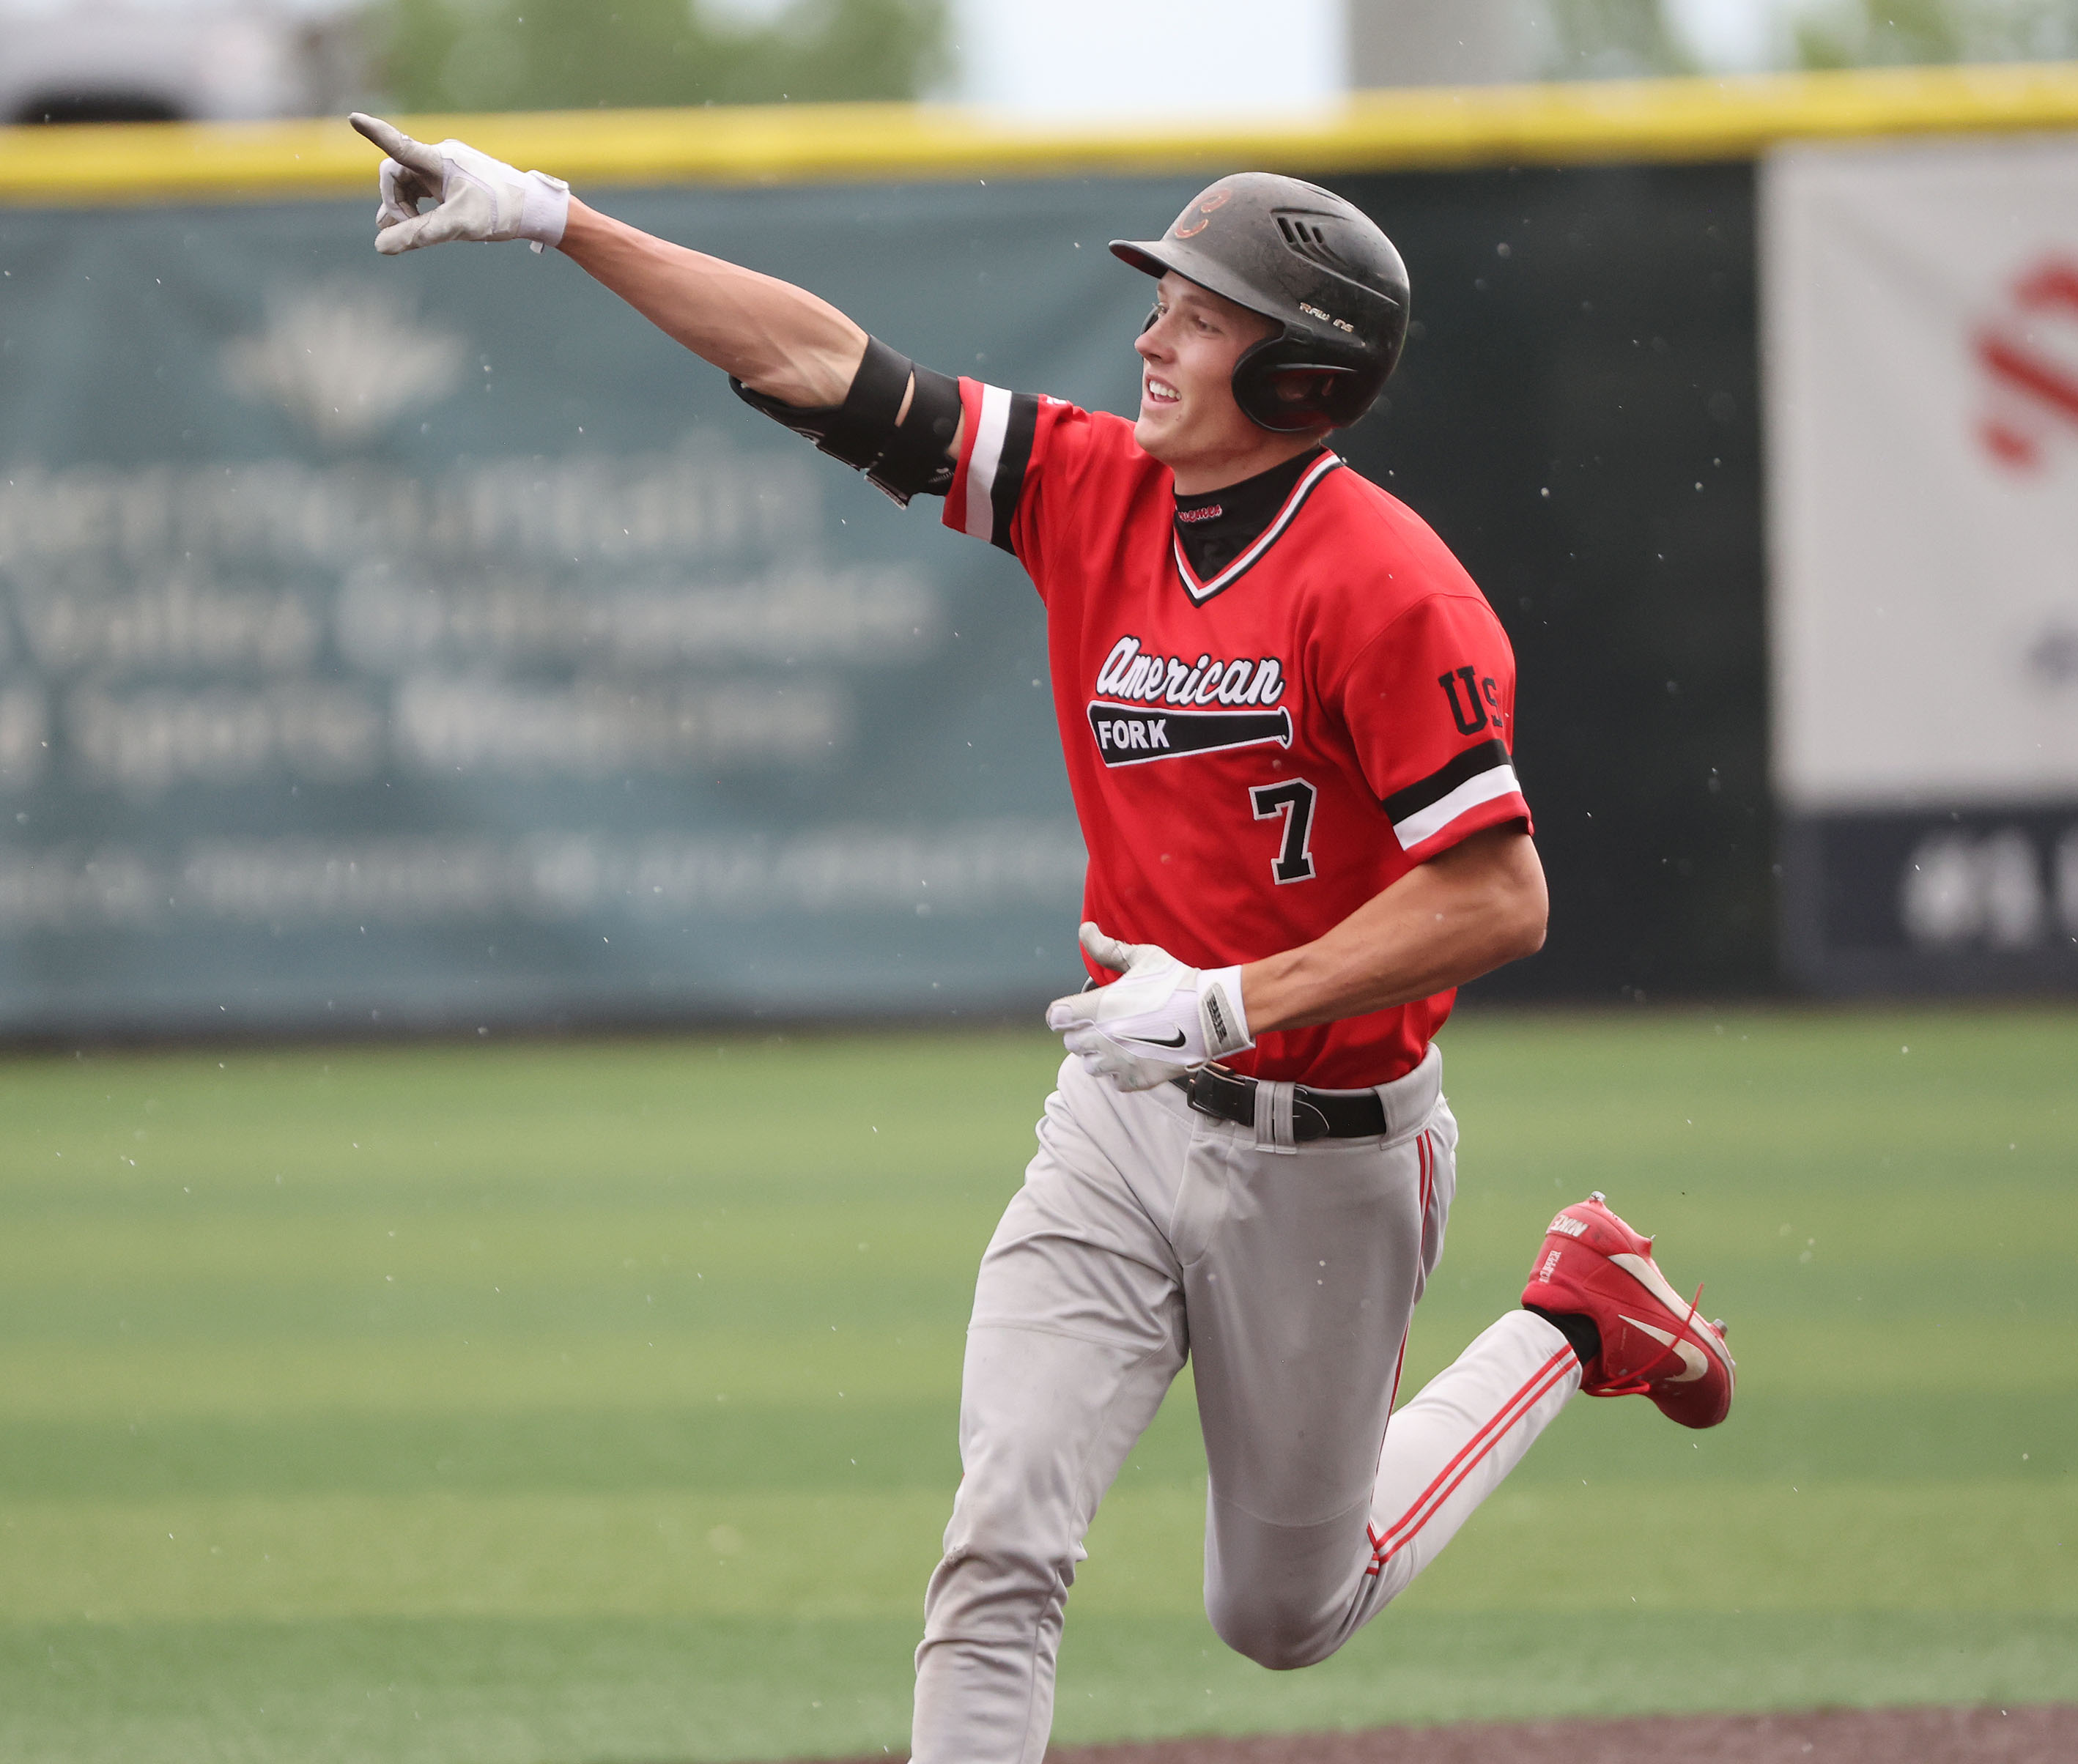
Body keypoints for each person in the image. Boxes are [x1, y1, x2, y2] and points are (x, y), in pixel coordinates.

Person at [345, 114, 1735, 1763]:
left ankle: (1576, 1317)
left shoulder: (1390, 586)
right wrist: (557, 218)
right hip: (1118, 1120)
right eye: (1166, 301)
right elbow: (824, 364)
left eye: (1202, 315)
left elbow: (1500, 897)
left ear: (1298, 374)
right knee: (1002, 1532)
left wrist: (1229, 1003)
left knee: (1282, 1616)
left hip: (1330, 1148)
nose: (1151, 334)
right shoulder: (1090, 490)